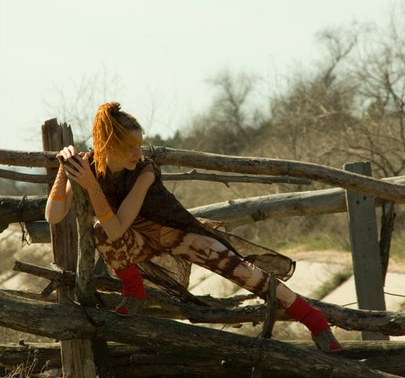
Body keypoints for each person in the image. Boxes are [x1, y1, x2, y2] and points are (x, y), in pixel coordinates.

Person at [45, 102, 342, 353]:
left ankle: (316, 322)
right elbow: (54, 216)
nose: (138, 152)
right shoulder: (87, 167)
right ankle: (134, 292)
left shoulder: (145, 170)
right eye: (130, 147)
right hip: (138, 242)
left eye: (139, 145)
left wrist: (90, 187)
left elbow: (118, 225)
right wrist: (64, 170)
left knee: (246, 272)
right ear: (109, 145)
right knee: (100, 230)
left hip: (180, 235)